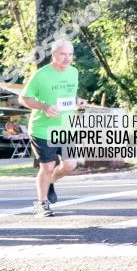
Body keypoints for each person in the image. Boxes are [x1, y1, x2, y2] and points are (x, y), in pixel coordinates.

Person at [18, 40, 87, 217]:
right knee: (47, 166)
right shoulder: (41, 75)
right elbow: (23, 99)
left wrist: (77, 102)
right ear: (54, 54)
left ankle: (49, 183)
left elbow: (69, 96)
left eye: (70, 54)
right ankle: (42, 204)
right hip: (42, 129)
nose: (67, 58)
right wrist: (44, 107)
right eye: (63, 54)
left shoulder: (74, 72)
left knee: (70, 165)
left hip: (66, 129)